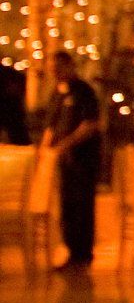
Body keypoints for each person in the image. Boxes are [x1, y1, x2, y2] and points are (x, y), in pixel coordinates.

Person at [46, 48, 102, 274]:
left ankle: (83, 255)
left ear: (70, 66)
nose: (56, 73)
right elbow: (51, 126)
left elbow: (91, 124)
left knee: (82, 207)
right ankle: (71, 252)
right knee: (67, 207)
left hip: (83, 161)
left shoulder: (84, 92)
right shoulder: (57, 94)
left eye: (60, 68)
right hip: (65, 162)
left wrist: (67, 144)